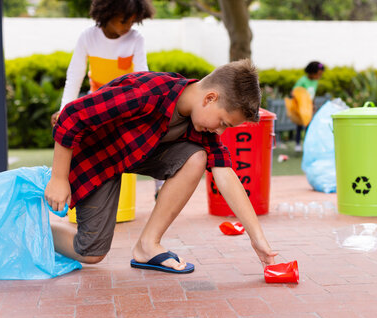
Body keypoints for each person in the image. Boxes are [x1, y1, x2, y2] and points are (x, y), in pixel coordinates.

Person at [44, 59, 278, 273]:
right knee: (91, 253)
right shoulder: (147, 92)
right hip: (96, 160)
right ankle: (38, 230)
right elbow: (71, 116)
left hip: (134, 153)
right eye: (223, 123)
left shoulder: (200, 123)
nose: (219, 131)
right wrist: (58, 178)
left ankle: (147, 246)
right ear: (210, 98)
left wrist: (256, 237)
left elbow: (225, 173)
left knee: (197, 157)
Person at [50, 0, 165, 197]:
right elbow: (75, 75)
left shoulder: (135, 39)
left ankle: (160, 187)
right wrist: (64, 110)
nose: (128, 26)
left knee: (154, 130)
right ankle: (73, 186)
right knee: (71, 129)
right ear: (107, 14)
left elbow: (142, 78)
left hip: (126, 102)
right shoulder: (88, 37)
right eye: (123, 21)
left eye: (132, 21)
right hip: (97, 101)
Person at [285, 61, 325, 152]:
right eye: (318, 74)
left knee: (309, 126)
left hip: (309, 108)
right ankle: (298, 144)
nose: (319, 77)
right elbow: (293, 92)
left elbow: (313, 95)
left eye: (321, 75)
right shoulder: (303, 81)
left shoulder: (315, 82)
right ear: (311, 72)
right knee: (299, 126)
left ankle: (308, 144)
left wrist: (313, 105)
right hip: (301, 107)